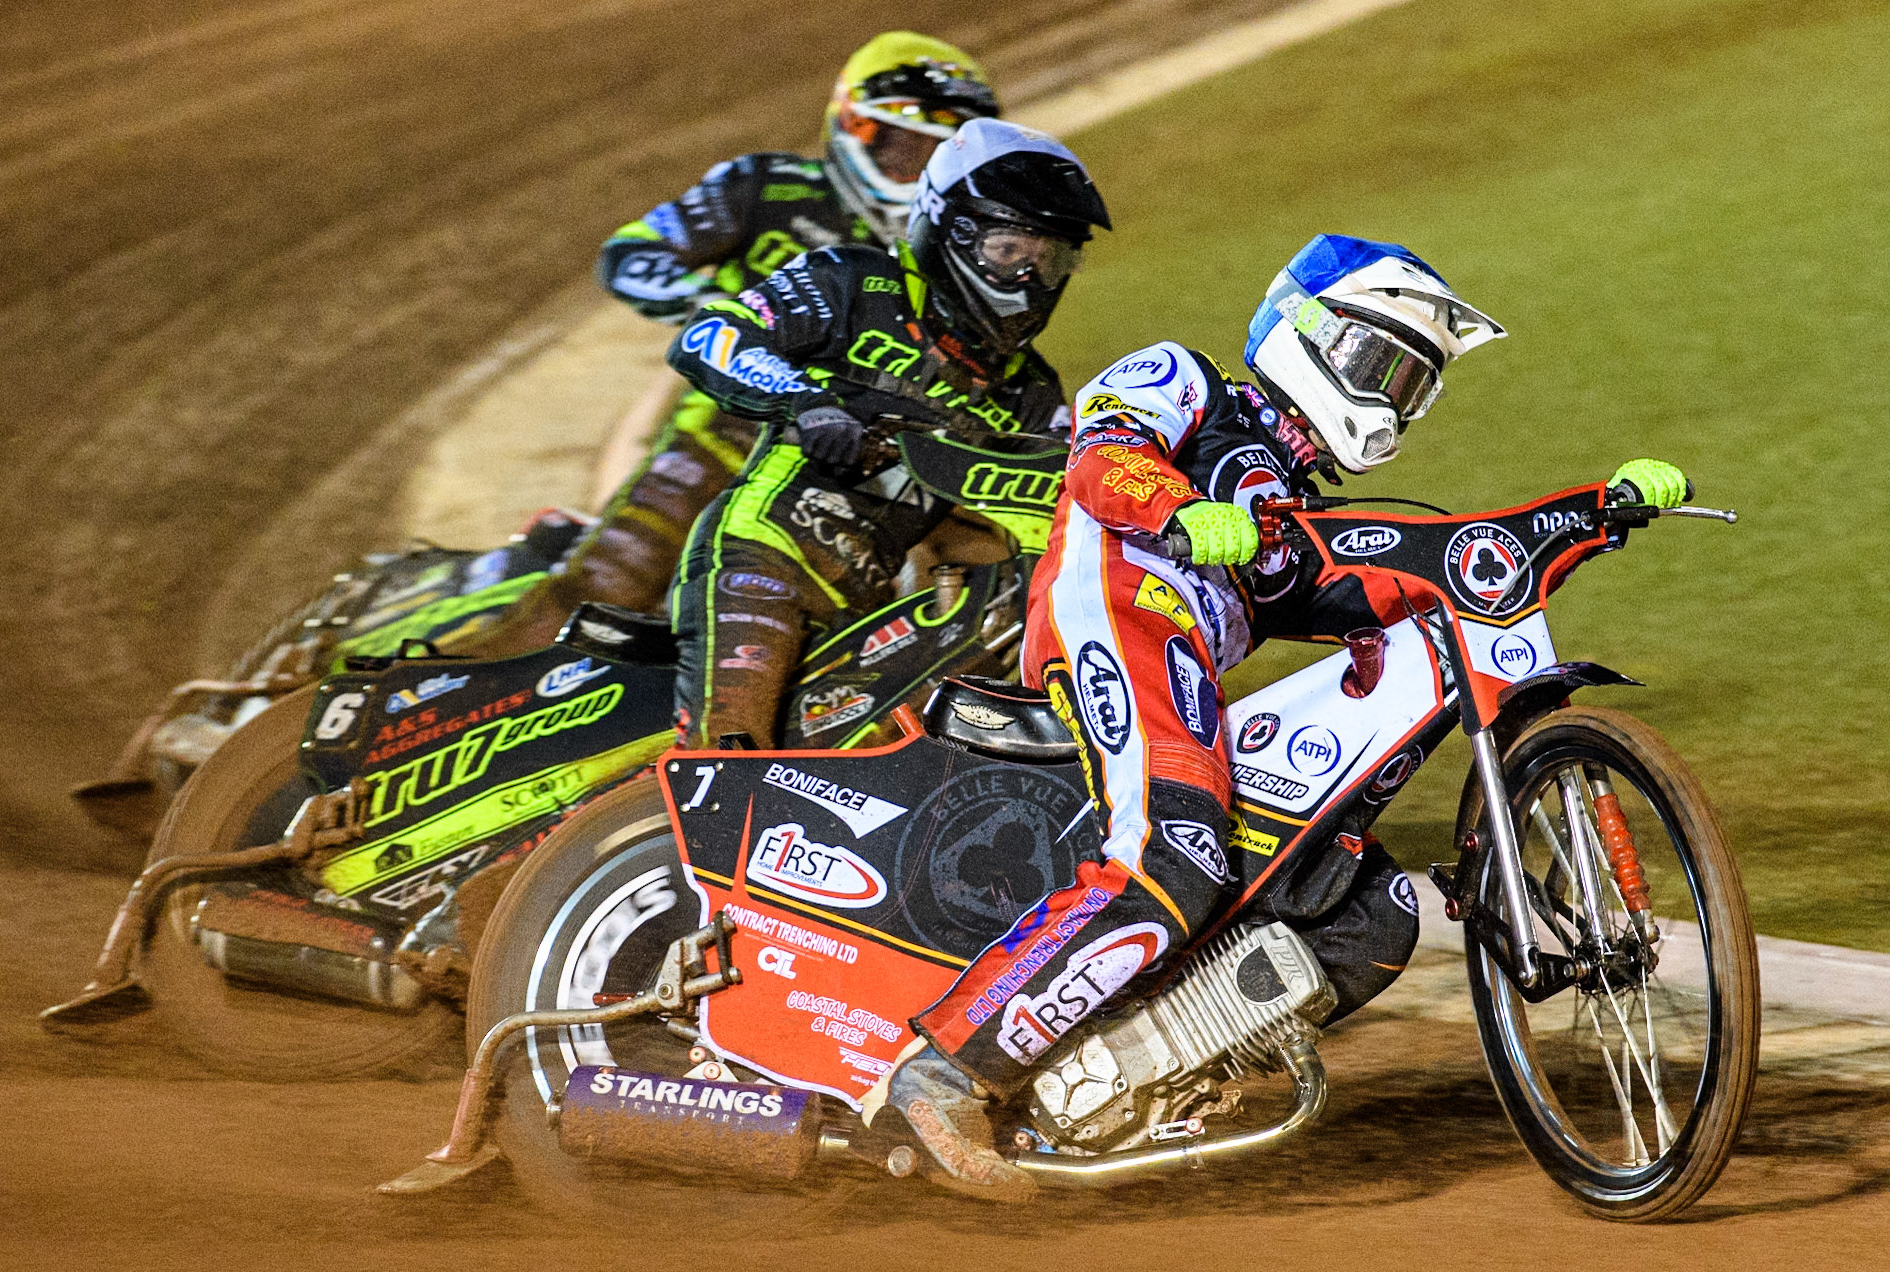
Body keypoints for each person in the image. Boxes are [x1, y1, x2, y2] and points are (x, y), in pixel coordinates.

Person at [885, 233, 1692, 1200]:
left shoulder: (1289, 511)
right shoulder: (1186, 379)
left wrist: (1585, 514)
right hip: (1113, 614)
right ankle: (947, 1073)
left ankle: (1107, 1076)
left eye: (1411, 383)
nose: (1390, 397)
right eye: (1379, 363)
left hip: (1180, 661)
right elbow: (1102, 456)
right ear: (1305, 332)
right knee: (1173, 855)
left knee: (1371, 915)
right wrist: (1175, 507)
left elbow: (1399, 572)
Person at [662, 117, 1110, 748]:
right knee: (729, 759)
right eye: (1009, 252)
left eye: (1049, 260)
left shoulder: (1031, 393)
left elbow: (1059, 514)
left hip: (869, 615)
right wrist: (809, 403)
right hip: (763, 561)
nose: (1029, 281)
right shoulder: (853, 281)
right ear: (950, 231)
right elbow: (710, 336)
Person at [551, 33, 999, 618]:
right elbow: (630, 255)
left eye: (933, 156)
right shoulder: (766, 185)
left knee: (965, 587)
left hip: (874, 460)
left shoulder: (960, 248)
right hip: (727, 429)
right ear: (854, 126)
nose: (912, 170)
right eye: (903, 147)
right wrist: (721, 310)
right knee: (609, 583)